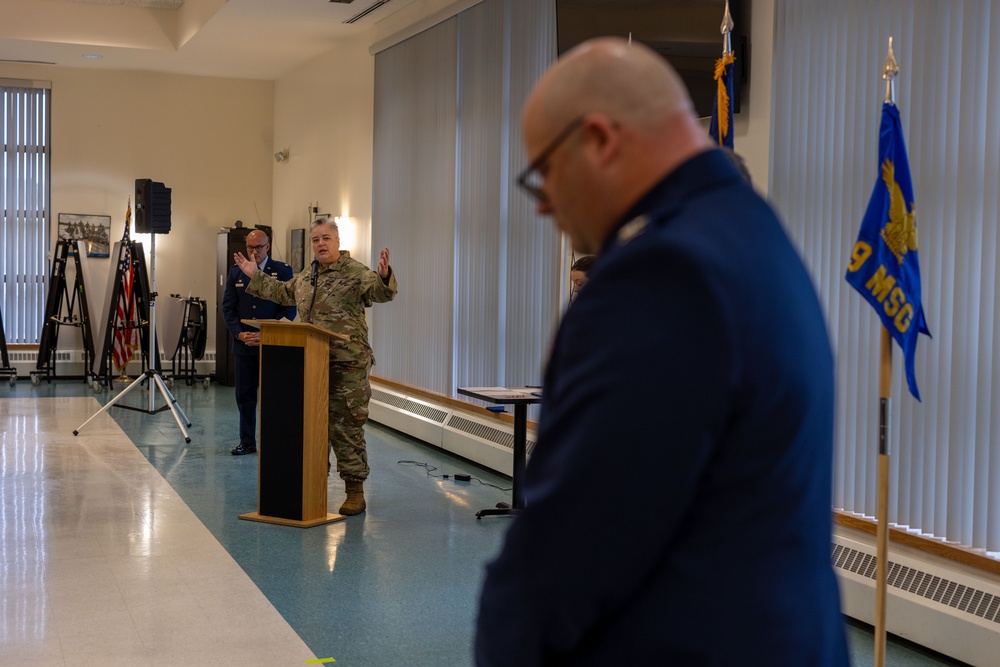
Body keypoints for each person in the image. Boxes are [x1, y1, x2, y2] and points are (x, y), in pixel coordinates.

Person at [475, 37, 849, 666]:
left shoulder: (662, 273)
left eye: (544, 173)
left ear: (598, 139)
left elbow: (573, 544)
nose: (542, 203)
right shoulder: (748, 230)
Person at [232, 218, 396, 515]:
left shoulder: (355, 272)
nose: (320, 244)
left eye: (326, 238)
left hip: (347, 365)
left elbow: (380, 293)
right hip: (311, 363)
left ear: (337, 241)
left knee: (345, 427)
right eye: (316, 239)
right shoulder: (308, 275)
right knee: (311, 427)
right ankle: (314, 484)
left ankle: (354, 490)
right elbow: (283, 293)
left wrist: (384, 276)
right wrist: (255, 276)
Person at [222, 228, 295, 456]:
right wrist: (239, 334)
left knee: (274, 396)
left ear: (268, 247)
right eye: (250, 247)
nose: (254, 252)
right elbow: (228, 308)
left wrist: (270, 335)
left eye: (259, 247)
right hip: (244, 345)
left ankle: (274, 441)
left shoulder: (282, 271)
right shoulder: (236, 272)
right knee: (245, 396)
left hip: (272, 345)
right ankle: (247, 442)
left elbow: (290, 308)